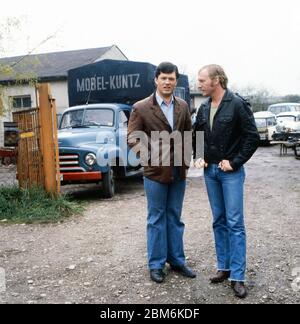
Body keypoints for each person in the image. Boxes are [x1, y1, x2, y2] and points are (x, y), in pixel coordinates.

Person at [193, 64, 260, 298]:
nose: (198, 84)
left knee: (235, 223)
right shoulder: (203, 107)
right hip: (210, 173)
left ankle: (238, 276)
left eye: (202, 80)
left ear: (217, 80)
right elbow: (197, 135)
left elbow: (252, 137)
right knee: (219, 220)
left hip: (230, 173)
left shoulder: (238, 104)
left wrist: (235, 162)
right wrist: (199, 156)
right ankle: (224, 267)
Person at [128, 62, 196, 283]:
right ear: (156, 79)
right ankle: (156, 265)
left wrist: (188, 159)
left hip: (178, 170)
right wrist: (150, 157)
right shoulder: (141, 107)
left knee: (174, 216)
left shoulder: (183, 106)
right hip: (155, 172)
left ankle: (176, 260)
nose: (168, 82)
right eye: (164, 78)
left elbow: (189, 134)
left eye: (172, 79)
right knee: (156, 218)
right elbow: (132, 138)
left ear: (176, 81)